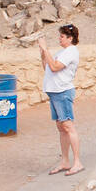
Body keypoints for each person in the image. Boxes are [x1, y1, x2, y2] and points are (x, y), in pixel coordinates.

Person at [39, 24, 83, 175]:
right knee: (61, 127)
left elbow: (55, 67)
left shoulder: (71, 52)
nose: (60, 39)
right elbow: (47, 67)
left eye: (62, 36)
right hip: (54, 92)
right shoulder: (61, 52)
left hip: (62, 92)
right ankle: (65, 161)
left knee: (68, 126)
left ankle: (77, 162)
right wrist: (43, 53)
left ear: (70, 38)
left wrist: (46, 49)